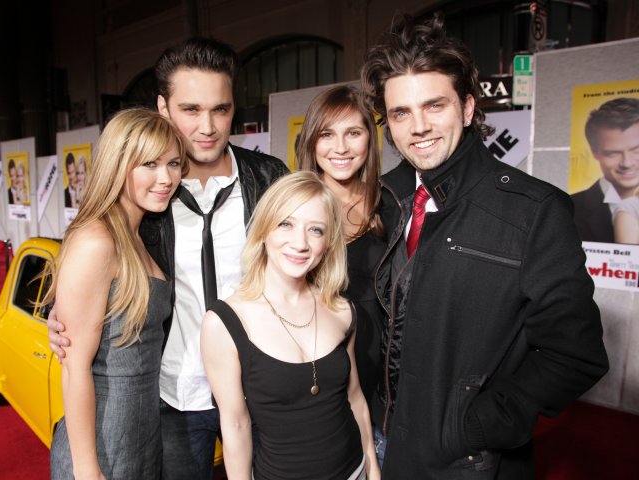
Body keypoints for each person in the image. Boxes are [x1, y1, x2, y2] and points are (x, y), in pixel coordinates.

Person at [360, 12, 609, 478]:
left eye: (434, 106)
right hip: (383, 443)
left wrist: (472, 427)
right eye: (400, 113)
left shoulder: (533, 210)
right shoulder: (385, 198)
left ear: (468, 109)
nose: (418, 127)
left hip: (468, 461)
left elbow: (576, 353)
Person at [48, 37, 288, 480]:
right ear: (163, 108)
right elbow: (100, 271)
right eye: (191, 109)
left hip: (258, 394)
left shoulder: (270, 179)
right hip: (171, 400)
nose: (209, 126)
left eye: (221, 109)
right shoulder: (149, 203)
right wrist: (61, 317)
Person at [201, 171, 380, 479]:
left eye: (316, 230)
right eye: (286, 223)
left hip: (354, 471)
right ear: (263, 231)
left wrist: (373, 468)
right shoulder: (224, 323)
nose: (300, 243)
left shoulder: (341, 310)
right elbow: (236, 425)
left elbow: (355, 398)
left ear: (328, 243)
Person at [45, 108, 186, 479]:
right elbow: (74, 368)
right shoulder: (96, 240)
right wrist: (88, 470)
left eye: (174, 164)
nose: (166, 177)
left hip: (142, 434)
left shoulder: (138, 234)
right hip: (101, 442)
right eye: (150, 164)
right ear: (117, 164)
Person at [295, 85, 386, 415]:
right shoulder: (296, 208)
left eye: (353, 133)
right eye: (327, 134)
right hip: (322, 369)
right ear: (311, 142)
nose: (341, 148)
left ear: (369, 139)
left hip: (387, 372)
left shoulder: (390, 202)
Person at [571, 97, 639, 243]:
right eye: (613, 153)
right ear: (594, 152)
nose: (627, 163)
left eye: (637, 150)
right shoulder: (568, 209)